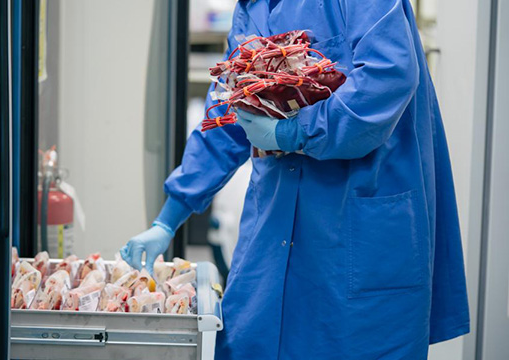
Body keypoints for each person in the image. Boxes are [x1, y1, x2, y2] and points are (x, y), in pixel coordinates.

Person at [121, 0, 469, 358]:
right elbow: (227, 112)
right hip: (276, 227)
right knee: (253, 337)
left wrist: (294, 133)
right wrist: (169, 217)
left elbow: (388, 75)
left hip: (359, 225)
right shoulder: (255, 6)